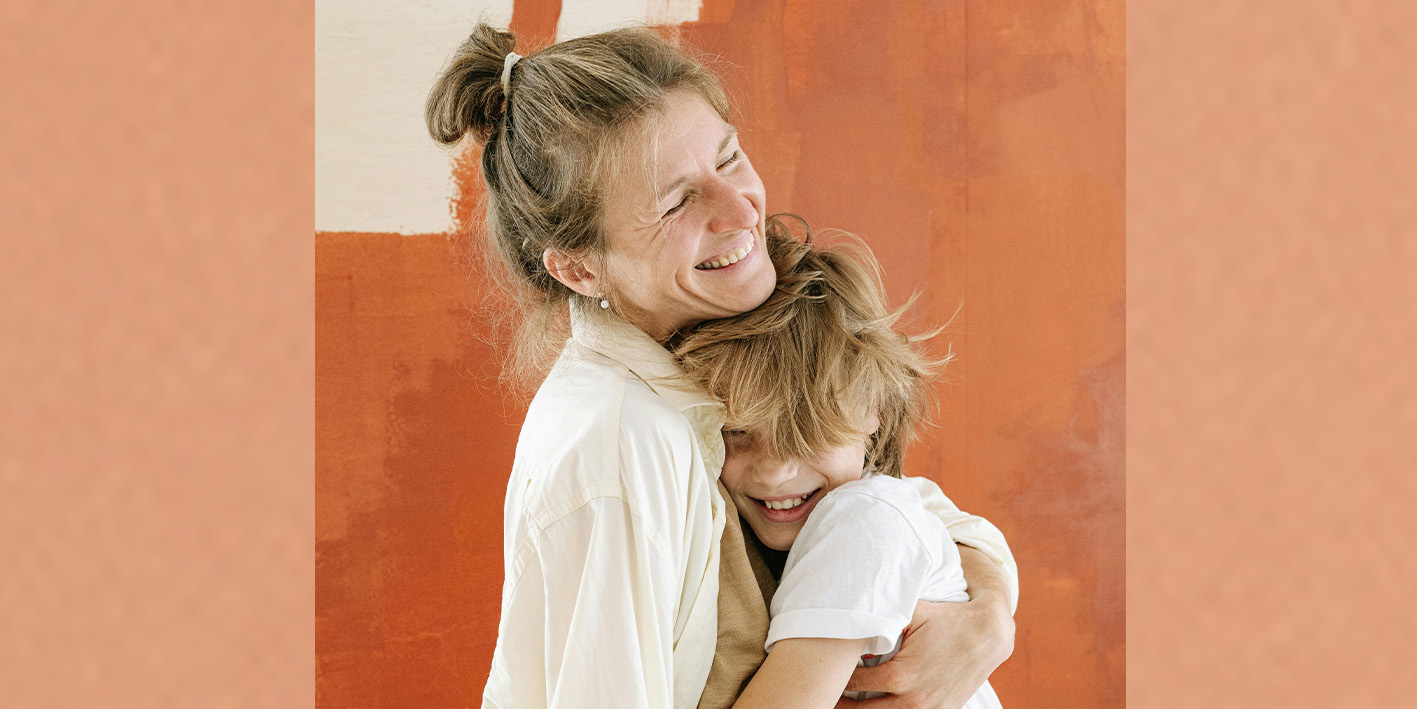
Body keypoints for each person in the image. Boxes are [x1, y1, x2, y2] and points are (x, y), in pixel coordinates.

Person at [424, 23, 1017, 708]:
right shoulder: (623, 446)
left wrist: (987, 612)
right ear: (580, 267)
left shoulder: (716, 344)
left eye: (730, 158)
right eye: (676, 201)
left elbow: (892, 503)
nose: (742, 211)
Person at [674, 232, 1006, 708]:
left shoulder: (865, 520)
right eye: (736, 432)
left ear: (873, 409)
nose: (773, 471)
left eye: (802, 427)